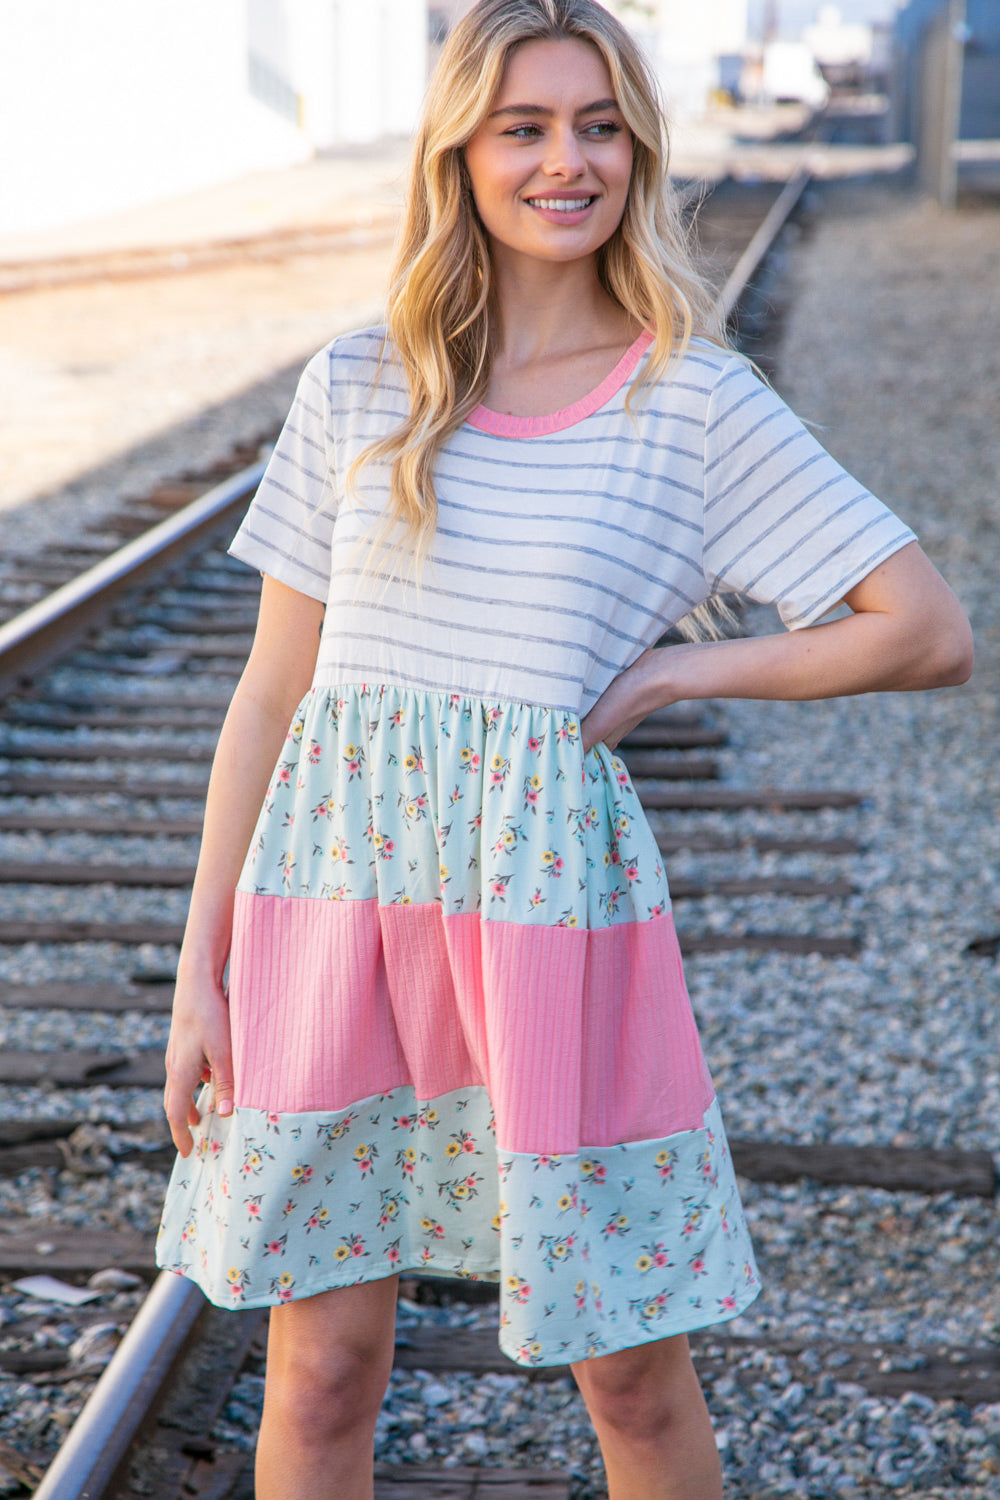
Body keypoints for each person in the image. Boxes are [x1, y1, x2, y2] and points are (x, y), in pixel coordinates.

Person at [157, 2, 973, 1496]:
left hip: (546, 938)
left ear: (637, 151)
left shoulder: (692, 401)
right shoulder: (360, 380)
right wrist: (201, 969)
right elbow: (273, 695)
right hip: (334, 920)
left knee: (631, 1377)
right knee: (323, 1371)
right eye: (525, 128)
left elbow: (922, 628)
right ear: (461, 154)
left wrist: (673, 672)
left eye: (598, 126)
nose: (566, 161)